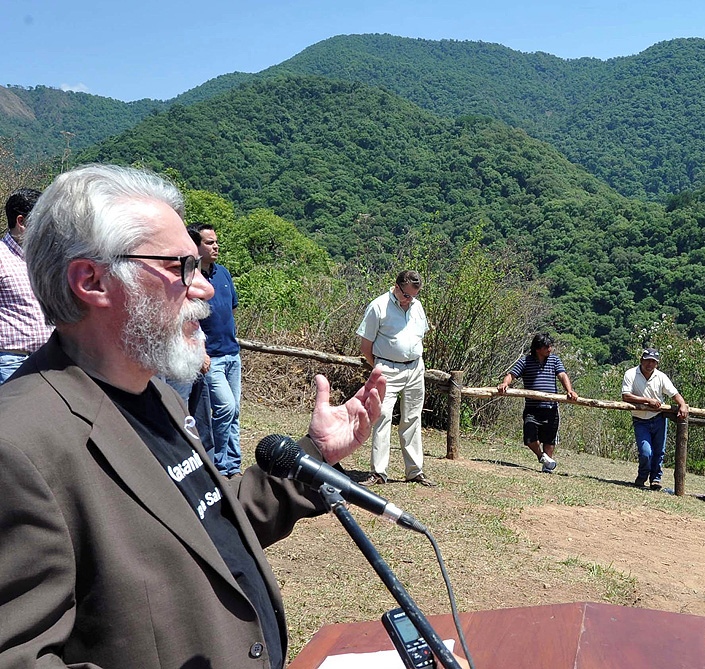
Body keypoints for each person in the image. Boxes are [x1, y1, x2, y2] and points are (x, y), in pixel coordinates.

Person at [0, 163, 386, 668]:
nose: (203, 287)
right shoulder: (18, 446)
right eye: (180, 268)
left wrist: (312, 457)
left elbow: (199, 527)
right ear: (91, 280)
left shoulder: (155, 394)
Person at [357, 270, 436, 487]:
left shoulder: (417, 307)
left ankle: (414, 471)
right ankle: (379, 472)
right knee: (382, 416)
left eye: (414, 295)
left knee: (412, 418)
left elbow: (420, 335)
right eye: (407, 295)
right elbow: (366, 346)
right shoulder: (378, 306)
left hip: (415, 368)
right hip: (386, 367)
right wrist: (382, 367)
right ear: (396, 287)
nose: (410, 300)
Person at [193, 222, 243, 478]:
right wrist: (200, 353)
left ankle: (232, 465)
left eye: (216, 242)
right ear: (196, 246)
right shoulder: (191, 279)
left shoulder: (223, 273)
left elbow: (232, 309)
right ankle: (217, 463)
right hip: (211, 357)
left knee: (234, 412)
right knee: (225, 408)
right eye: (209, 242)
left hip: (232, 353)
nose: (216, 246)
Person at [498, 332, 579, 473]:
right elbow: (511, 374)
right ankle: (542, 457)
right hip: (532, 408)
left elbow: (562, 375)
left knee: (549, 439)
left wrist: (569, 390)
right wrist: (505, 384)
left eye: (550, 346)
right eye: (546, 346)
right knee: (530, 438)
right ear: (537, 348)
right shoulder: (525, 361)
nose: (550, 349)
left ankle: (547, 467)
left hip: (550, 408)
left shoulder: (554, 360)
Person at [0, 187, 53, 382]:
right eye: (39, 223)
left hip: (48, 358)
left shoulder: (43, 259)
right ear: (21, 222)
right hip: (11, 362)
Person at [621, 347, 688, 490]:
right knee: (646, 452)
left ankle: (655, 479)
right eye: (648, 361)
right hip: (640, 420)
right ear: (641, 360)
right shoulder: (631, 374)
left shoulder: (661, 377)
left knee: (659, 451)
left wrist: (682, 405)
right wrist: (647, 400)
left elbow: (674, 393)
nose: (650, 364)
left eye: (653, 362)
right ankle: (642, 476)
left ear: (657, 364)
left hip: (658, 418)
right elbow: (626, 396)